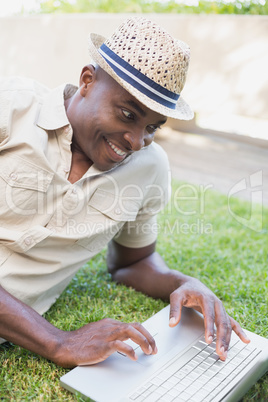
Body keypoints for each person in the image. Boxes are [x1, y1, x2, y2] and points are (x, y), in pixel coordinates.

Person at [0, 17, 250, 368]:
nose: (136, 141)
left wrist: (185, 282)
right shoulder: (10, 107)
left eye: (152, 127)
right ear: (87, 80)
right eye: (127, 115)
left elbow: (131, 263)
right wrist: (58, 341)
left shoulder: (149, 168)